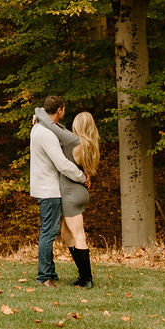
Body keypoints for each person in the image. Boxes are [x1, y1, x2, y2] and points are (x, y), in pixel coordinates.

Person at [28, 94, 86, 286]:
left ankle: (50, 273)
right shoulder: (47, 134)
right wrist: (81, 177)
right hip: (49, 188)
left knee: (50, 230)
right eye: (64, 109)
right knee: (49, 232)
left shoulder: (38, 127)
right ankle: (44, 276)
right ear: (59, 109)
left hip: (45, 186)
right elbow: (61, 163)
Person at [43, 110, 103, 288]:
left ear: (78, 125)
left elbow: (53, 126)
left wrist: (39, 115)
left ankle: (87, 279)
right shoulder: (89, 144)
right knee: (66, 234)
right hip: (79, 192)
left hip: (71, 194)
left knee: (78, 235)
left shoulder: (72, 142)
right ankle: (83, 276)